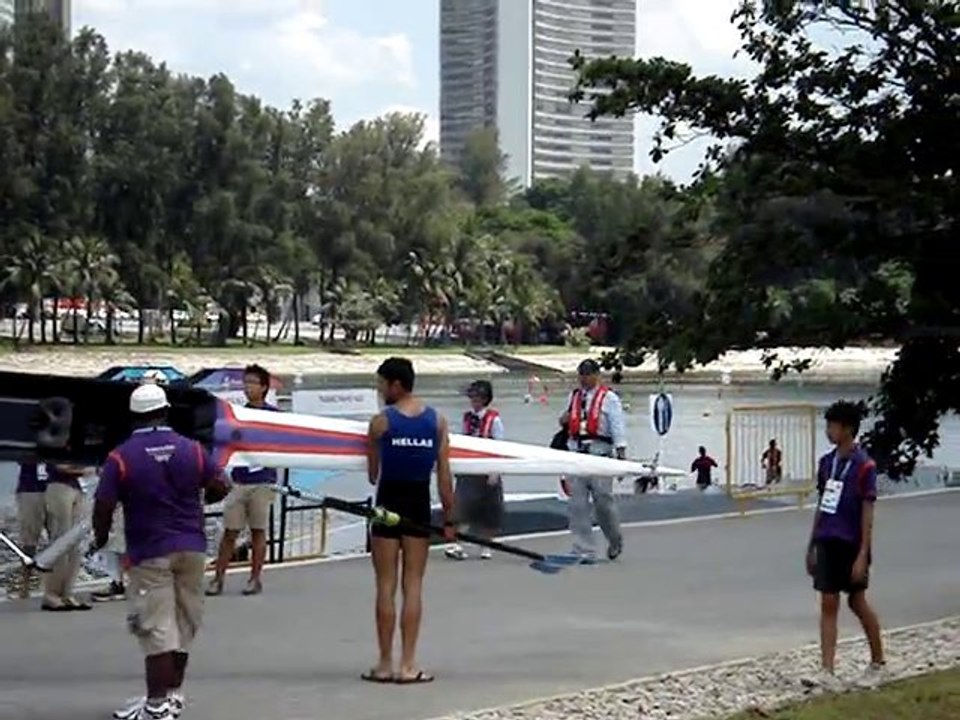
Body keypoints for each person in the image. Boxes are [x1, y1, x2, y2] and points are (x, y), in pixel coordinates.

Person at [91, 382, 231, 720]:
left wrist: (101, 538)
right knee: (183, 624)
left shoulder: (121, 457)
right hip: (192, 546)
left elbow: (104, 505)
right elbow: (222, 484)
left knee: (156, 627)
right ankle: (173, 697)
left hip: (149, 549)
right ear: (166, 411)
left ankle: (155, 706)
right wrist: (200, 502)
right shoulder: (192, 449)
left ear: (133, 417)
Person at [364, 357, 455, 684]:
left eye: (381, 384)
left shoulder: (380, 423)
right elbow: (444, 476)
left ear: (396, 385)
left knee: (385, 587)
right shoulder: (437, 422)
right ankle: (408, 666)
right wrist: (449, 518)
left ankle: (385, 664)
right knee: (413, 586)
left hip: (387, 504)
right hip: (418, 505)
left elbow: (374, 475)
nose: (379, 391)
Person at [803, 401, 885, 690]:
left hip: (851, 542)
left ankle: (877, 662)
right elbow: (822, 504)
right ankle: (827, 669)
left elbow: (867, 512)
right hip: (827, 537)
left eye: (833, 426)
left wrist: (863, 553)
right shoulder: (827, 464)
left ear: (847, 428)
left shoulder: (864, 465)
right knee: (828, 601)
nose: (828, 431)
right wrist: (812, 542)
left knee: (857, 600)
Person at [207, 364, 280, 596]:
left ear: (264, 387)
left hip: (263, 481)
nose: (247, 387)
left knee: (258, 530)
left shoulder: (275, 417)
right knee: (230, 531)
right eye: (245, 383)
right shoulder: (238, 415)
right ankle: (218, 578)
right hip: (239, 481)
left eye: (252, 383)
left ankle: (255, 578)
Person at [559, 359, 626, 561]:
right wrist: (565, 418)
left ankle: (614, 539)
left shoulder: (610, 398)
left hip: (600, 452)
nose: (584, 378)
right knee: (577, 504)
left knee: (603, 503)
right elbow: (564, 419)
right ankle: (584, 548)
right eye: (581, 374)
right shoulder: (574, 397)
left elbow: (617, 426)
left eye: (588, 374)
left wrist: (621, 454)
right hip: (576, 452)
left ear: (597, 375)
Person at [445, 380, 505, 561]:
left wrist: (495, 471)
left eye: (476, 397)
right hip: (470, 468)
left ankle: (486, 545)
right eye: (472, 397)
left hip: (487, 470)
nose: (473, 401)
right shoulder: (467, 418)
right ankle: (457, 544)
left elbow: (499, 446)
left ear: (484, 399)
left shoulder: (494, 419)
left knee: (490, 509)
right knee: (461, 507)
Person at [42, 463, 91, 611]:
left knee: (77, 544)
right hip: (59, 486)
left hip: (77, 487)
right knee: (60, 541)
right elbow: (59, 466)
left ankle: (67, 592)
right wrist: (84, 469)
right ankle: (51, 594)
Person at [13, 461, 47, 599]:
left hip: (56, 485)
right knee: (29, 541)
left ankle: (54, 586)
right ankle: (25, 586)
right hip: (30, 488)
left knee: (59, 539)